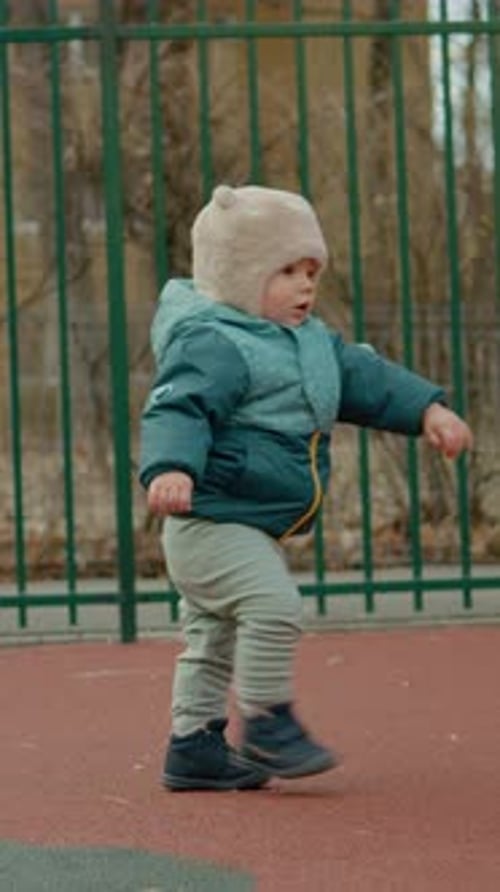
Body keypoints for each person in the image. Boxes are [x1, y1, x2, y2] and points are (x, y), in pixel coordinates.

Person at [139, 184, 473, 792]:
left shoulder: (310, 344)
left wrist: (429, 412)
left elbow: (368, 381)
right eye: (286, 271)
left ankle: (193, 746)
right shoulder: (215, 341)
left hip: (240, 521)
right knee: (273, 606)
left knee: (213, 634)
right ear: (239, 276)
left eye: (311, 271)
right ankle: (267, 724)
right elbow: (178, 407)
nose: (304, 285)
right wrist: (170, 467)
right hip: (206, 522)